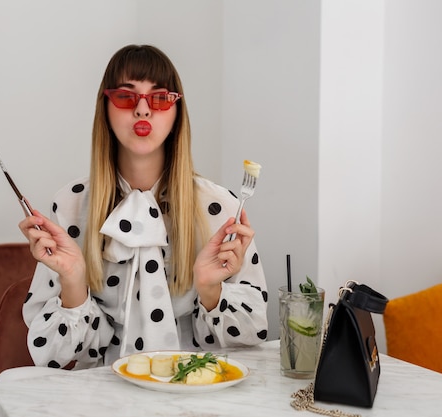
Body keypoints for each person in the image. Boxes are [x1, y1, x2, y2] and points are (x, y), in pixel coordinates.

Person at [19, 44, 268, 370]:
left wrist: (211, 290)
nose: (142, 110)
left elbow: (251, 340)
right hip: (100, 393)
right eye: (125, 97)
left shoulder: (221, 208)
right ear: (105, 108)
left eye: (160, 98)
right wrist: (74, 282)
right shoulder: (70, 204)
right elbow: (54, 354)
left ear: (177, 111)